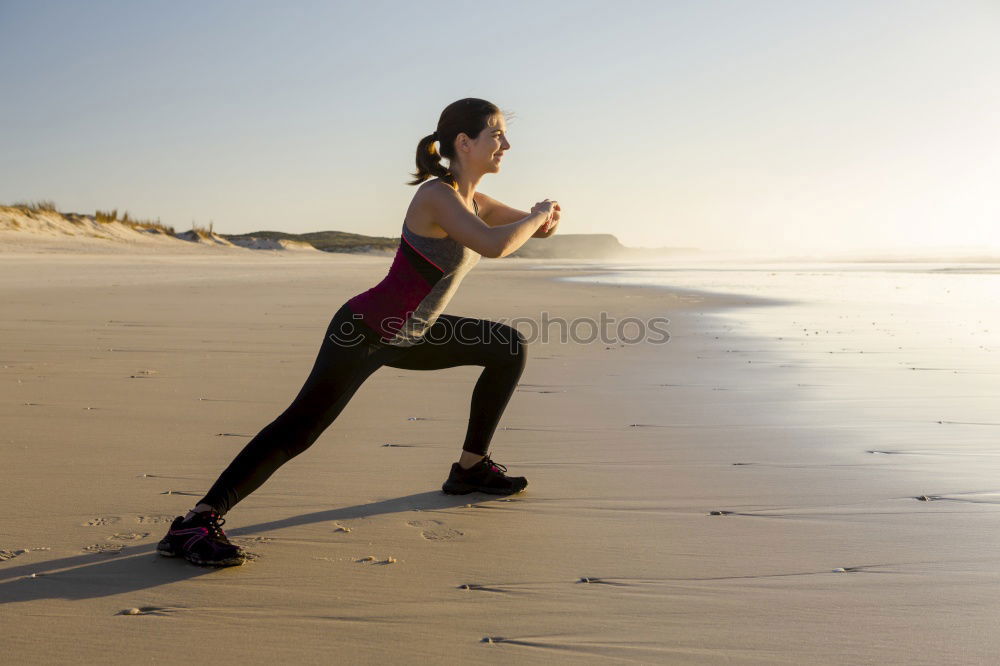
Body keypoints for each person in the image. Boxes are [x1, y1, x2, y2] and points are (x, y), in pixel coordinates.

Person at [156, 98, 562, 567]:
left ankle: (471, 468)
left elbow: (533, 232)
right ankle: (195, 523)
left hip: (413, 332)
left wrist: (547, 215)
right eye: (497, 135)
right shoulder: (437, 195)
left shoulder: (476, 202)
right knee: (299, 431)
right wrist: (536, 215)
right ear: (464, 143)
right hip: (364, 332)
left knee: (506, 345)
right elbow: (495, 245)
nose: (506, 144)